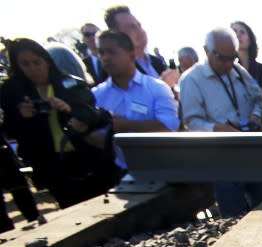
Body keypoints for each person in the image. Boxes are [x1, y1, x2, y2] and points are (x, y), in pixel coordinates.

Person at [0, 38, 115, 208]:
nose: (33, 69)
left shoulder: (69, 83)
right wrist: (20, 115)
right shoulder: (13, 93)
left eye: (36, 62)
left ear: (46, 60)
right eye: (25, 64)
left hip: (86, 158)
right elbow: (10, 131)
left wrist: (68, 109)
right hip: (51, 165)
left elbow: (93, 112)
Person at [180, 28, 262, 217]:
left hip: (251, 152)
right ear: (206, 50)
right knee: (233, 215)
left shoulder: (238, 71)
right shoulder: (191, 79)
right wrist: (217, 129)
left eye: (232, 57)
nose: (228, 63)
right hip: (221, 157)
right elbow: (192, 122)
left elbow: (258, 99)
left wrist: (255, 115)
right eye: (222, 58)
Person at [92, 30, 179, 173]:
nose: (105, 58)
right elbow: (92, 136)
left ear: (131, 55)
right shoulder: (97, 95)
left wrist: (122, 126)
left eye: (111, 52)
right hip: (117, 172)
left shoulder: (156, 88)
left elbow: (169, 127)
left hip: (161, 169)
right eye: (101, 53)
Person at [103, 5, 179, 87]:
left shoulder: (156, 61)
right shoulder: (116, 69)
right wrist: (163, 86)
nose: (140, 30)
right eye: (131, 27)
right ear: (117, 35)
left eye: (139, 25)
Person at [231, 21, 262, 87]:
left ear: (250, 39)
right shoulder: (225, 71)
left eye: (242, 32)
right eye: (234, 32)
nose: (238, 35)